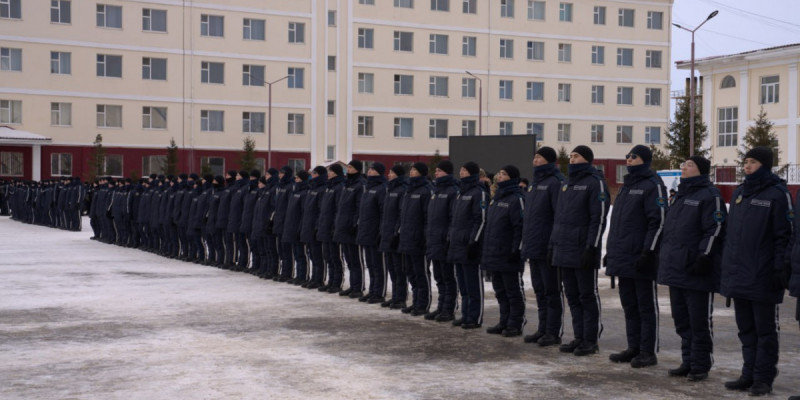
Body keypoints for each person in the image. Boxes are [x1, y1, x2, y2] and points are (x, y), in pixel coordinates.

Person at [721, 147, 793, 396]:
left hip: (763, 274)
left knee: (765, 330)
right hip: (740, 273)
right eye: (746, 162)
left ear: (765, 165)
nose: (747, 166)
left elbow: (783, 235)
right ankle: (748, 374)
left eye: (752, 162)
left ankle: (763, 378)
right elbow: (733, 236)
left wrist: (778, 268)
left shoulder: (777, 194)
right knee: (746, 329)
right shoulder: (740, 193)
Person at [657, 155, 726, 382]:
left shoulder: (710, 195)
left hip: (696, 269)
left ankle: (701, 364)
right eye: (684, 164)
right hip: (676, 267)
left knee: (699, 321)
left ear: (701, 170)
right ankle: (687, 361)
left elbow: (715, 229)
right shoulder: (680, 195)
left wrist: (704, 256)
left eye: (689, 165)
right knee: (682, 320)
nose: (683, 167)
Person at [605, 145, 667, 368]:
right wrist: (611, 253)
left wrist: (648, 252)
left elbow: (658, 221)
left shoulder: (653, 185)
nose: (629, 159)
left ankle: (648, 351)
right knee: (629, 305)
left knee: (645, 306)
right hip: (623, 256)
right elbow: (618, 225)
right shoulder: (626, 187)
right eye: (628, 156)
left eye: (634, 156)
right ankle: (634, 347)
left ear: (645, 160)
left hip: (641, 256)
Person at [550, 145, 610, 356]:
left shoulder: (595, 183)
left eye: (576, 156)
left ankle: (590, 339)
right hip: (564, 248)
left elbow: (599, 218)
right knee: (572, 296)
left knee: (587, 295)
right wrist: (554, 243)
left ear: (586, 159)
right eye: (571, 156)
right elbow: (559, 218)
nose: (572, 159)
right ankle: (578, 336)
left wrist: (591, 247)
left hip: (583, 248)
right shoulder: (566, 183)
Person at [522, 147, 564, 346]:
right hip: (534, 245)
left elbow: (558, 216)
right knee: (539, 290)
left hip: (548, 246)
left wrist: (553, 244)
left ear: (548, 160)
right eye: (534, 156)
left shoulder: (555, 182)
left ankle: (553, 331)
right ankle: (542, 328)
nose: (535, 160)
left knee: (551, 291)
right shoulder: (534, 184)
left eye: (539, 157)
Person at [482, 165, 526, 337]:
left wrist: (517, 250)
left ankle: (516, 323)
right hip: (495, 253)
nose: (500, 176)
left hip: (509, 254)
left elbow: (520, 227)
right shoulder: (496, 198)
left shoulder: (517, 198)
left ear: (513, 178)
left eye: (504, 174)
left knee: (513, 291)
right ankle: (504, 321)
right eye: (499, 173)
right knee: (500, 291)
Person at [448, 161, 488, 329]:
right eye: (461, 169)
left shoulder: (478, 192)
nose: (462, 172)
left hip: (470, 245)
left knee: (473, 285)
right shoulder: (460, 193)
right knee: (463, 285)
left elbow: (481, 219)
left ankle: (475, 317)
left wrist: (474, 241)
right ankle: (465, 315)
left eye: (465, 170)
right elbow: (454, 220)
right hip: (457, 244)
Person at [425, 160, 460, 322]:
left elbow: (453, 218)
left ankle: (449, 308)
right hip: (434, 240)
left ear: (447, 172)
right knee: (439, 277)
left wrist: (448, 238)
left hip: (444, 241)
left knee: (448, 277)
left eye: (439, 171)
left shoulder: (452, 191)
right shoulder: (436, 191)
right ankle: (441, 307)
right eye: (436, 171)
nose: (436, 173)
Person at [397, 162, 433, 316]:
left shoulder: (426, 191)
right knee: (410, 272)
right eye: (411, 169)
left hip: (418, 239)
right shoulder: (409, 191)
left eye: (415, 170)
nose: (411, 172)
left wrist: (425, 236)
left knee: (421, 273)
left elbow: (427, 217)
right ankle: (416, 301)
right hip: (407, 237)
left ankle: (423, 304)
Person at [335, 160, 367, 298]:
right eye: (348, 166)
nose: (348, 169)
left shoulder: (360, 185)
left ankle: (358, 287)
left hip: (352, 227)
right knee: (349, 260)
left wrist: (355, 224)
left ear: (358, 170)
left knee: (356, 259)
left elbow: (360, 207)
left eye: (351, 167)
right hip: (343, 226)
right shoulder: (347, 184)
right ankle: (353, 285)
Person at [357, 162, 388, 303]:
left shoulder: (382, 188)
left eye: (373, 169)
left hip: (375, 232)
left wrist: (380, 231)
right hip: (366, 230)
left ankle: (379, 292)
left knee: (378, 264)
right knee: (370, 263)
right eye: (369, 169)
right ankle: (372, 290)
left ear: (380, 172)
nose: (369, 171)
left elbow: (383, 212)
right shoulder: (368, 188)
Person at [379, 165, 408, 309]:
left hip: (396, 235)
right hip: (387, 233)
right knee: (391, 268)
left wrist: (397, 232)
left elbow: (401, 215)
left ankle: (401, 298)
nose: (389, 174)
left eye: (391, 172)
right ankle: (395, 297)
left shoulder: (402, 190)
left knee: (399, 269)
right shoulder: (390, 190)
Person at [317, 164, 345, 293]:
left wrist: (335, 225)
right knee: (328, 256)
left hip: (332, 227)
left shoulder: (339, 187)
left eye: (331, 171)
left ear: (337, 173)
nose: (329, 173)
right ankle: (331, 281)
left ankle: (337, 282)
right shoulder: (329, 187)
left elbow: (338, 209)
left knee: (335, 257)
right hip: (325, 225)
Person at [301, 166, 328, 288]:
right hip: (308, 225)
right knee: (312, 255)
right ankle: (314, 278)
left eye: (315, 173)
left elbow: (321, 210)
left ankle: (319, 279)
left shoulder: (322, 189)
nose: (313, 175)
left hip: (316, 226)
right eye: (312, 173)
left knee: (318, 255)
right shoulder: (311, 188)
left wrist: (317, 226)